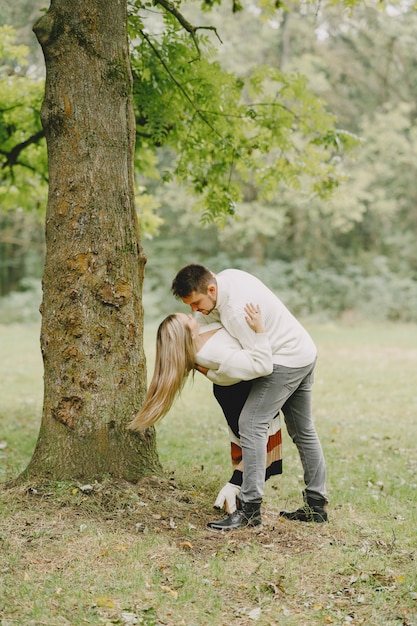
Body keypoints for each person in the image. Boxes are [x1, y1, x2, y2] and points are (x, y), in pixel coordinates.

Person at [171, 264, 328, 530]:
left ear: (211, 289)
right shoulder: (227, 278)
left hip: (284, 360)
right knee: (303, 430)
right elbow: (209, 326)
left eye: (197, 303)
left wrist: (213, 370)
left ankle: (250, 510)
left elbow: (262, 365)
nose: (195, 311)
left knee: (252, 423)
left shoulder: (235, 312)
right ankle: (316, 506)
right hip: (304, 350)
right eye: (190, 306)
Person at [128, 304, 282, 514]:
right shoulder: (210, 353)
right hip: (238, 394)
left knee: (251, 446)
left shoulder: (200, 333)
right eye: (187, 319)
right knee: (254, 447)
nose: (193, 317)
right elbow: (259, 365)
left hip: (235, 391)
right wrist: (259, 330)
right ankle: (234, 496)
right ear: (187, 334)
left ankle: (235, 499)